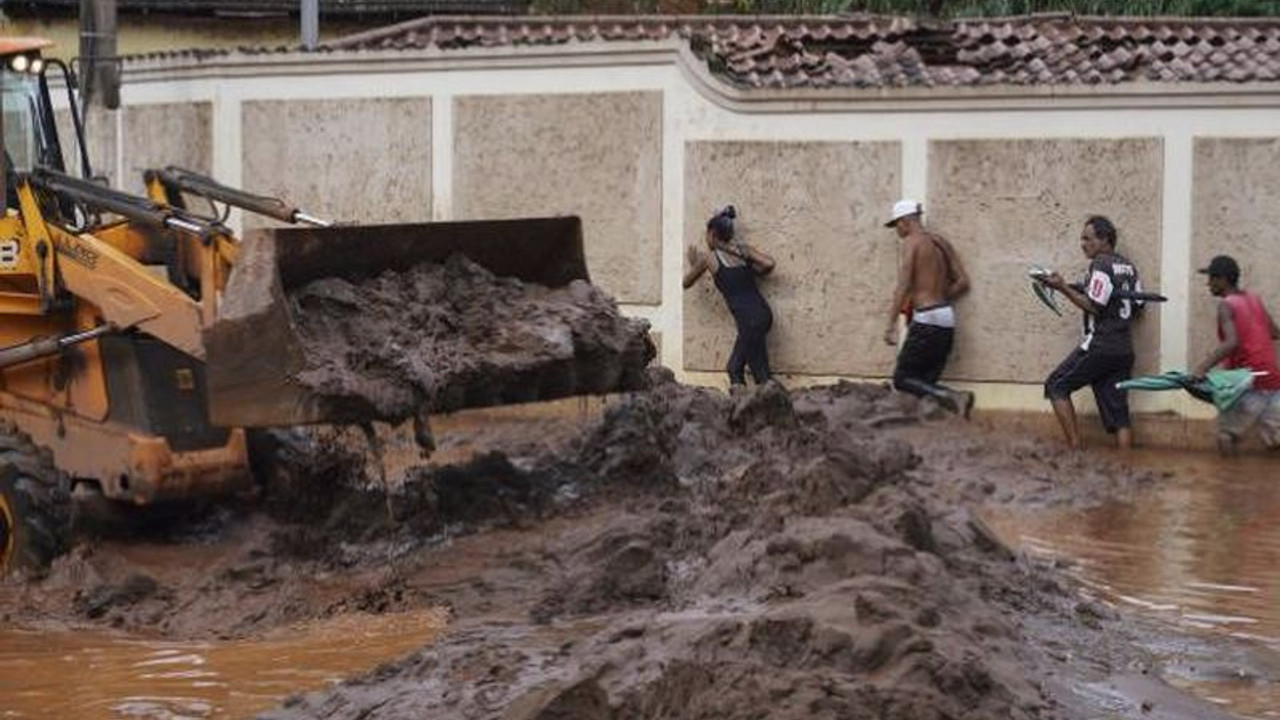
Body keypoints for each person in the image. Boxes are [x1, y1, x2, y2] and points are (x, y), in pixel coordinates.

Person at [1038, 215, 1142, 450]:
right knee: (1120, 418)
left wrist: (1062, 288)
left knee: (1056, 386)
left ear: (1104, 239)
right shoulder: (1128, 267)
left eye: (1087, 238)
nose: (1083, 244)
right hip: (1123, 348)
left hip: (1100, 346)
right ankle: (1127, 466)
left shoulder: (1101, 264)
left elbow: (1094, 305)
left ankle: (1074, 450)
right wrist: (1065, 284)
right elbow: (1137, 306)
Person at [882, 199, 974, 417]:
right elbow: (963, 282)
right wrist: (940, 298)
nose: (897, 231)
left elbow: (903, 285)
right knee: (925, 383)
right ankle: (931, 421)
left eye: (896, 225)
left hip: (927, 320)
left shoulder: (912, 243)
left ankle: (956, 396)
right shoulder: (940, 242)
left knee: (902, 379)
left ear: (904, 221)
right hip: (945, 317)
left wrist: (890, 324)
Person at [1189, 254, 1280, 456]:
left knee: (1226, 435)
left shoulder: (1226, 305)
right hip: (1273, 382)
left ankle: (1228, 484)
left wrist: (1201, 368)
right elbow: (1275, 333)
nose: (1208, 284)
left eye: (1211, 278)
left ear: (1222, 279)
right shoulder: (1255, 300)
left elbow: (1231, 343)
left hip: (1248, 383)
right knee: (1274, 443)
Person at [683, 205, 776, 388]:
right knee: (735, 367)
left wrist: (694, 264)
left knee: (760, 375)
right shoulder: (743, 251)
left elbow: (686, 283)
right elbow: (768, 264)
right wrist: (734, 251)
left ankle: (773, 408)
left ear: (711, 234)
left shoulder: (709, 259)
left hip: (749, 321)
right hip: (762, 315)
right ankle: (743, 408)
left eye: (706, 234)